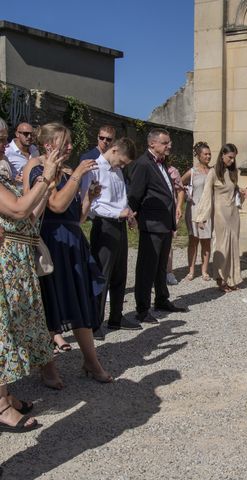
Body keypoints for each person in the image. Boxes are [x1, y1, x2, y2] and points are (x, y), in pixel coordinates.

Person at [23, 122, 113, 385]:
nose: (72, 146)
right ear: (50, 144)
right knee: (52, 302)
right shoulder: (38, 167)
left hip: (73, 239)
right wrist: (77, 176)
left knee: (80, 301)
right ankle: (47, 366)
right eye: (66, 141)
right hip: (52, 242)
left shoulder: (67, 169)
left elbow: (78, 215)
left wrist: (89, 197)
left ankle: (91, 360)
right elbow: (56, 205)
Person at [0, 118, 62, 432]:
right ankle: (0, 407)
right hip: (4, 264)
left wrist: (47, 184)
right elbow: (17, 211)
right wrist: (45, 179)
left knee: (12, 330)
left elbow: (29, 216)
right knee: (3, 335)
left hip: (16, 260)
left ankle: (4, 395)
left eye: (2, 138)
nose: (2, 145)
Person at [128, 128, 187, 325]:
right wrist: (132, 217)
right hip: (151, 224)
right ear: (152, 144)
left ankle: (161, 299)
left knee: (161, 266)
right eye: (165, 143)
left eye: (169, 142)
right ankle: (142, 309)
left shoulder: (162, 164)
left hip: (164, 224)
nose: (169, 145)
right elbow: (135, 195)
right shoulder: (143, 164)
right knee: (147, 268)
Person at [85, 137, 140, 332]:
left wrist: (128, 213)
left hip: (120, 224)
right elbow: (92, 205)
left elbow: (121, 198)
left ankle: (116, 317)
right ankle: (95, 322)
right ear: (114, 150)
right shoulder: (95, 168)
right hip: (104, 225)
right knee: (102, 273)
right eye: (122, 161)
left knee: (120, 272)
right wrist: (117, 213)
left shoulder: (117, 171)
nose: (123, 165)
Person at [194, 143, 247, 292]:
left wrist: (243, 192)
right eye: (230, 157)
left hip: (233, 213)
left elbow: (234, 191)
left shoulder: (233, 172)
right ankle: (220, 279)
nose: (232, 161)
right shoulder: (213, 172)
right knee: (222, 246)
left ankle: (232, 279)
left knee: (233, 245)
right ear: (222, 155)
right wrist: (201, 217)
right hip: (220, 213)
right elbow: (206, 195)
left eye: (234, 158)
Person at [180, 142, 213, 281]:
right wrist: (187, 194)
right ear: (198, 156)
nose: (208, 156)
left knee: (206, 241)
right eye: (205, 154)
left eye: (209, 154)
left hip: (208, 210)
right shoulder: (192, 172)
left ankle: (204, 270)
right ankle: (191, 270)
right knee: (193, 240)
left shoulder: (213, 171)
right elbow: (179, 183)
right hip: (194, 209)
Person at [165, 159, 185, 286]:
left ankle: (168, 272)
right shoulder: (149, 168)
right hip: (153, 212)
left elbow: (180, 190)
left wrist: (178, 207)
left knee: (168, 243)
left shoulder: (173, 171)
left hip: (169, 211)